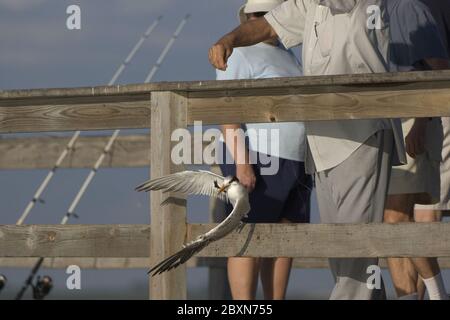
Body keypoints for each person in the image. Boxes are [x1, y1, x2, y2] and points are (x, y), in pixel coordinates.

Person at [209, 0, 449, 300]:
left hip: (362, 134)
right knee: (342, 255)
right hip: (320, 143)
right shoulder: (308, 5)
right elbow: (267, 24)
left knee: (354, 248)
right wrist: (229, 39)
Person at [217, 0, 312, 300]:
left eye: (268, 14)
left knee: (285, 238)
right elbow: (226, 111)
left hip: (297, 161)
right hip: (259, 157)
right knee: (247, 238)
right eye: (256, 15)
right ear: (248, 18)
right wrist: (242, 162)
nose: (260, 20)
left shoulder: (289, 54)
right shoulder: (238, 53)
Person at [384, 0, 450, 300]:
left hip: (413, 120)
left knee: (397, 218)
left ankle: (437, 294)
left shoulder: (409, 7)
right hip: (389, 123)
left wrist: (421, 122)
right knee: (392, 223)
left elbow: (440, 71)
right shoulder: (372, 9)